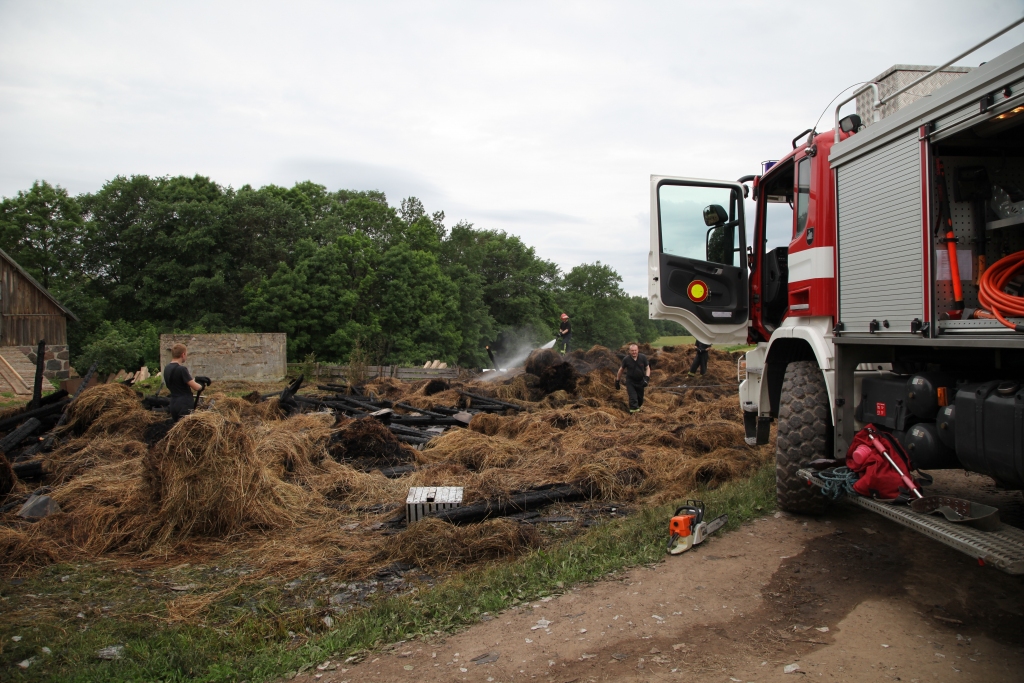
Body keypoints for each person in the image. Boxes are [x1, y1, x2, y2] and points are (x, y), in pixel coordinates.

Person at [163, 343, 210, 422]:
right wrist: (201, 384)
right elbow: (196, 387)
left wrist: (195, 379)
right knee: (186, 430)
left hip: (173, 403)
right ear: (183, 354)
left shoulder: (167, 368)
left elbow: (180, 381)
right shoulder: (181, 369)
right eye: (186, 354)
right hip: (184, 404)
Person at [615, 343, 650, 414]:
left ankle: (635, 409)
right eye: (632, 351)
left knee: (640, 400)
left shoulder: (643, 358)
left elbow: (647, 368)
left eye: (635, 350)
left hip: (640, 381)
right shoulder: (626, 359)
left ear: (638, 350)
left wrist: (646, 379)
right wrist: (617, 381)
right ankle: (634, 415)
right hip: (630, 382)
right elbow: (621, 370)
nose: (634, 352)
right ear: (629, 351)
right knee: (633, 398)